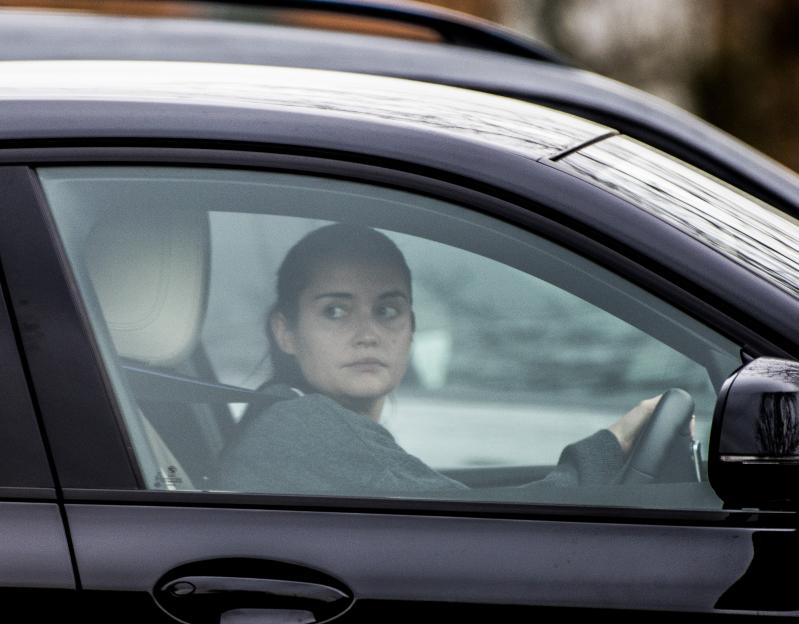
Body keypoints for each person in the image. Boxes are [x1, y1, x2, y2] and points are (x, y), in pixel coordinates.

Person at [212, 223, 660, 496]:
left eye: (387, 310)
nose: (367, 334)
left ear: (410, 328)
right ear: (285, 331)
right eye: (335, 310)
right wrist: (615, 444)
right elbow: (487, 527)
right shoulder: (301, 428)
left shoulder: (289, 414)